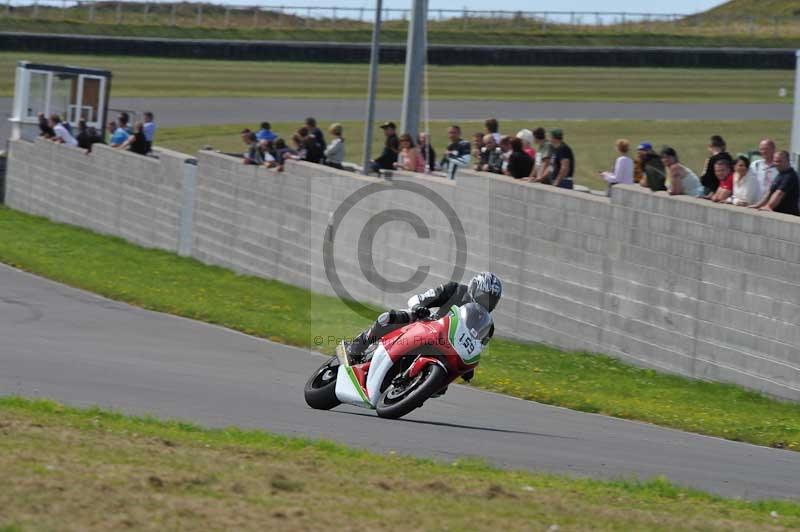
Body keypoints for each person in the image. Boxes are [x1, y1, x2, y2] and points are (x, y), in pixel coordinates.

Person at [345, 272, 503, 369]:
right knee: (388, 318)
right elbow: (419, 298)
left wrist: (468, 368)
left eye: (492, 300)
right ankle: (357, 346)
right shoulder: (455, 290)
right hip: (428, 325)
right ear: (474, 288)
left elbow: (475, 351)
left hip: (447, 350)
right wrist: (419, 307)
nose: (486, 303)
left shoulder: (487, 327)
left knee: (441, 388)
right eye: (484, 297)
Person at [749, 151, 799, 216]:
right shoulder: (780, 175)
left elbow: (779, 193)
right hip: (778, 213)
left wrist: (769, 206)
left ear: (787, 161)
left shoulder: (790, 176)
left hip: (787, 215)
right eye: (775, 161)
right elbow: (769, 193)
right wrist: (757, 205)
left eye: (779, 161)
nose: (777, 164)